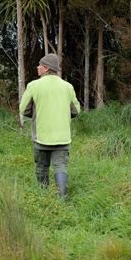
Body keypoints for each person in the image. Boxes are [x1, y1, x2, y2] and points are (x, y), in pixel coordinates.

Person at [19, 54, 80, 199]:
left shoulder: (33, 86)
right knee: (61, 166)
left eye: (39, 65)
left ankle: (43, 195)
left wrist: (35, 114)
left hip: (41, 137)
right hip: (63, 138)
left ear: (46, 68)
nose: (37, 67)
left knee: (41, 166)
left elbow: (24, 109)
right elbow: (76, 111)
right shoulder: (67, 86)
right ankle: (62, 197)